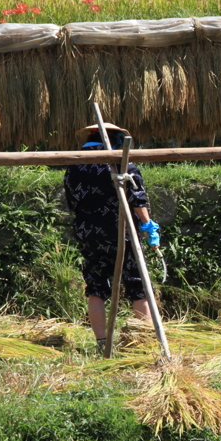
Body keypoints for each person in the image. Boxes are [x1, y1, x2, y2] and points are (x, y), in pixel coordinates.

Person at [63, 122, 161, 354]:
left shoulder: (74, 164)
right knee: (138, 285)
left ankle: (101, 344)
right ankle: (143, 344)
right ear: (116, 138)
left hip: (88, 231)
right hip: (121, 229)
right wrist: (148, 225)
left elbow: (71, 200)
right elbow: (136, 198)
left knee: (96, 286)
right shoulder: (120, 160)